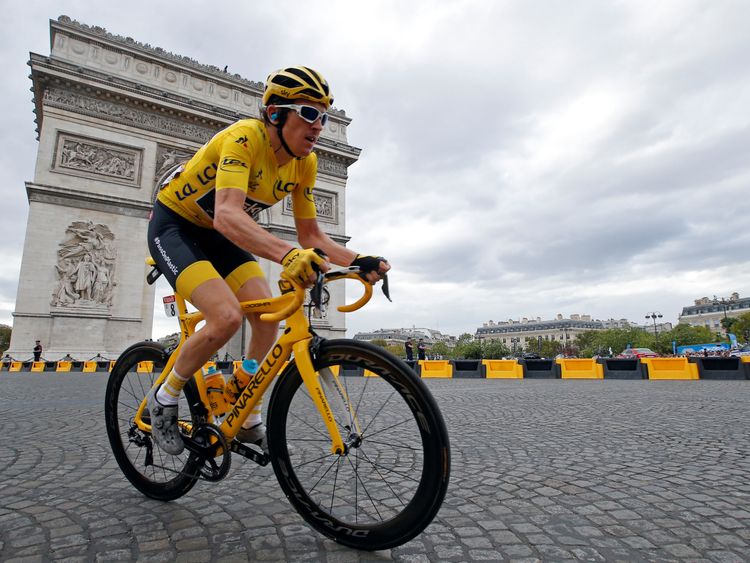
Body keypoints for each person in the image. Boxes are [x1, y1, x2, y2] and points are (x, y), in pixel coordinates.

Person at [146, 66, 390, 455]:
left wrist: (360, 260)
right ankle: (165, 397)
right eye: (308, 114)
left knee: (266, 316)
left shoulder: (304, 164)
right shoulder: (244, 138)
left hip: (220, 236)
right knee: (226, 317)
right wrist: (289, 254)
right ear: (276, 114)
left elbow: (311, 236)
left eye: (323, 116)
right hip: (177, 227)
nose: (319, 126)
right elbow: (227, 214)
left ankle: (248, 409)